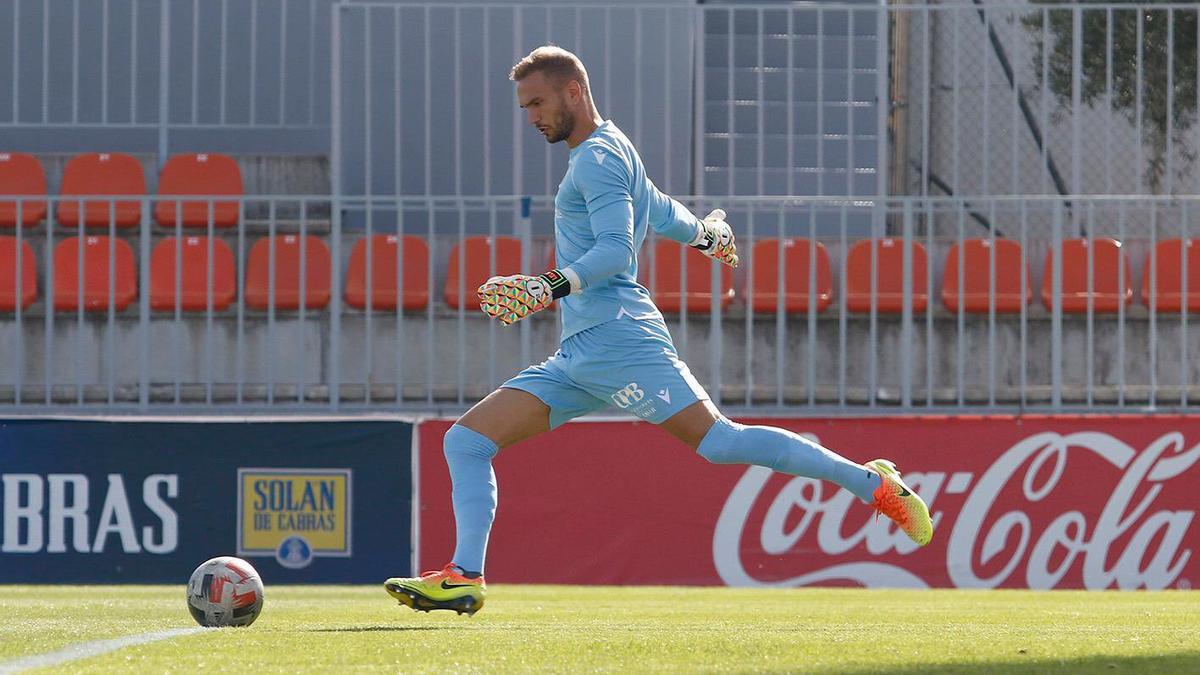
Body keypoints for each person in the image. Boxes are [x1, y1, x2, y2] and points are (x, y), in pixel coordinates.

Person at [385, 46, 932, 616]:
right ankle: (464, 576)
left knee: (720, 442)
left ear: (574, 91)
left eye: (538, 102)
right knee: (467, 440)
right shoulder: (614, 148)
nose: (532, 117)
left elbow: (617, 250)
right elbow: (660, 209)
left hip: (620, 340)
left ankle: (875, 486)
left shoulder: (596, 157)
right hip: (581, 352)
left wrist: (548, 285)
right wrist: (705, 235)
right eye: (526, 107)